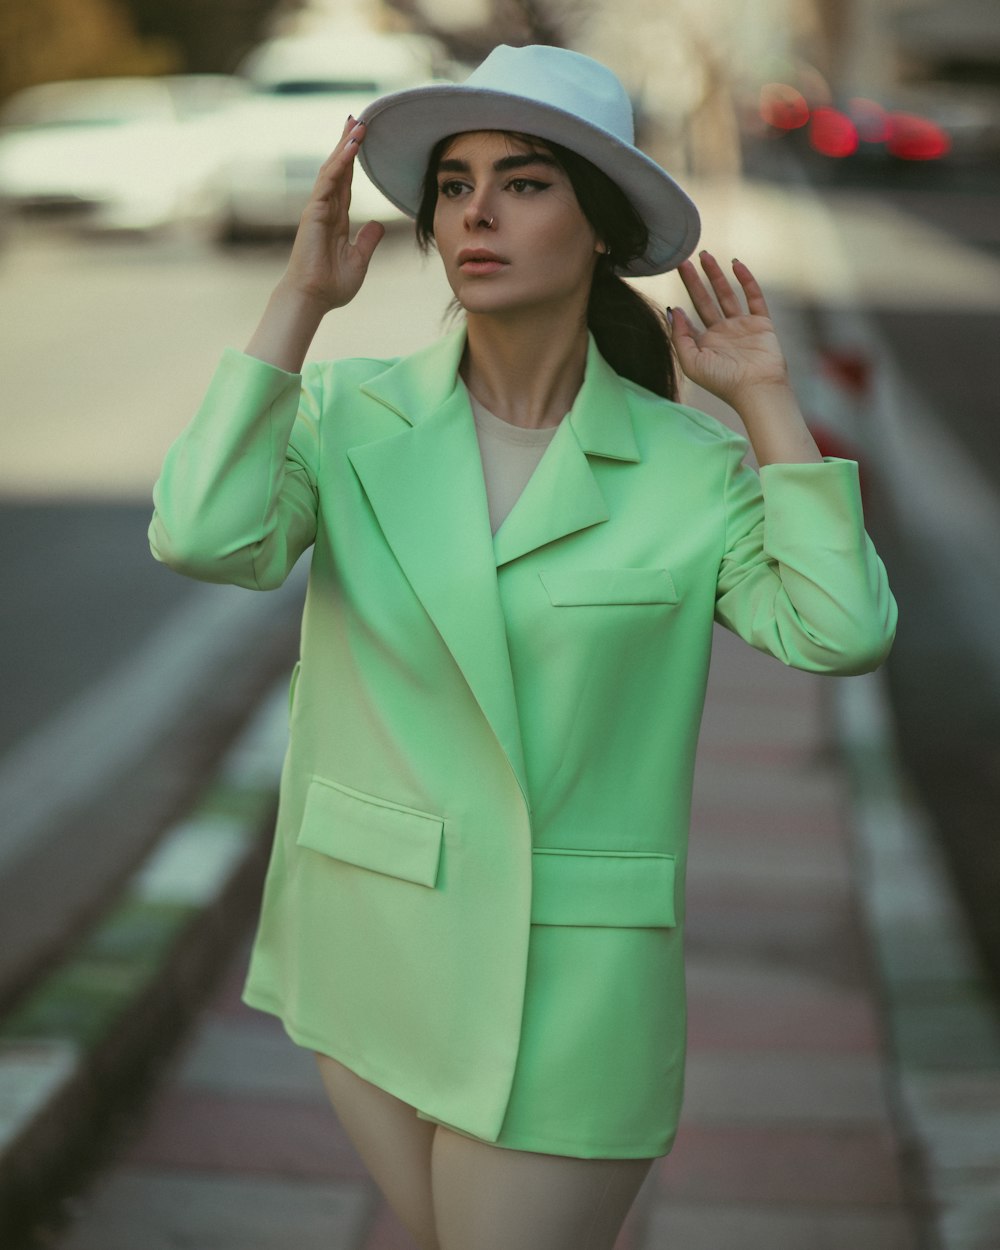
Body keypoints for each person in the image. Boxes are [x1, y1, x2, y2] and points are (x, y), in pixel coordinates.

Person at [149, 42, 896, 1250]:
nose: (476, 213)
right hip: (372, 940)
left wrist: (764, 403)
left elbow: (839, 629)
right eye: (453, 184)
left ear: (600, 224)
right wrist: (297, 304)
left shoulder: (688, 470)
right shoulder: (349, 416)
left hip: (577, 974)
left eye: (526, 181)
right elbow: (199, 533)